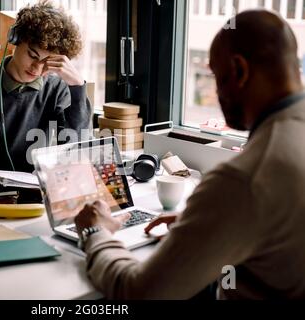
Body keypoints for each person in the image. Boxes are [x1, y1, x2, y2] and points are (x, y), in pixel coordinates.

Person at [74, 9, 305, 299]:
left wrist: (95, 234)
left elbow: (138, 292)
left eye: (215, 76)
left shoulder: (243, 179)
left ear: (239, 71)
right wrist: (210, 222)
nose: (216, 90)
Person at [0, 1, 91, 179]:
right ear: (15, 39)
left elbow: (75, 153)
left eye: (47, 63)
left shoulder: (57, 89)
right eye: (32, 55)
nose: (37, 69)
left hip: (35, 197)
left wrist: (77, 88)